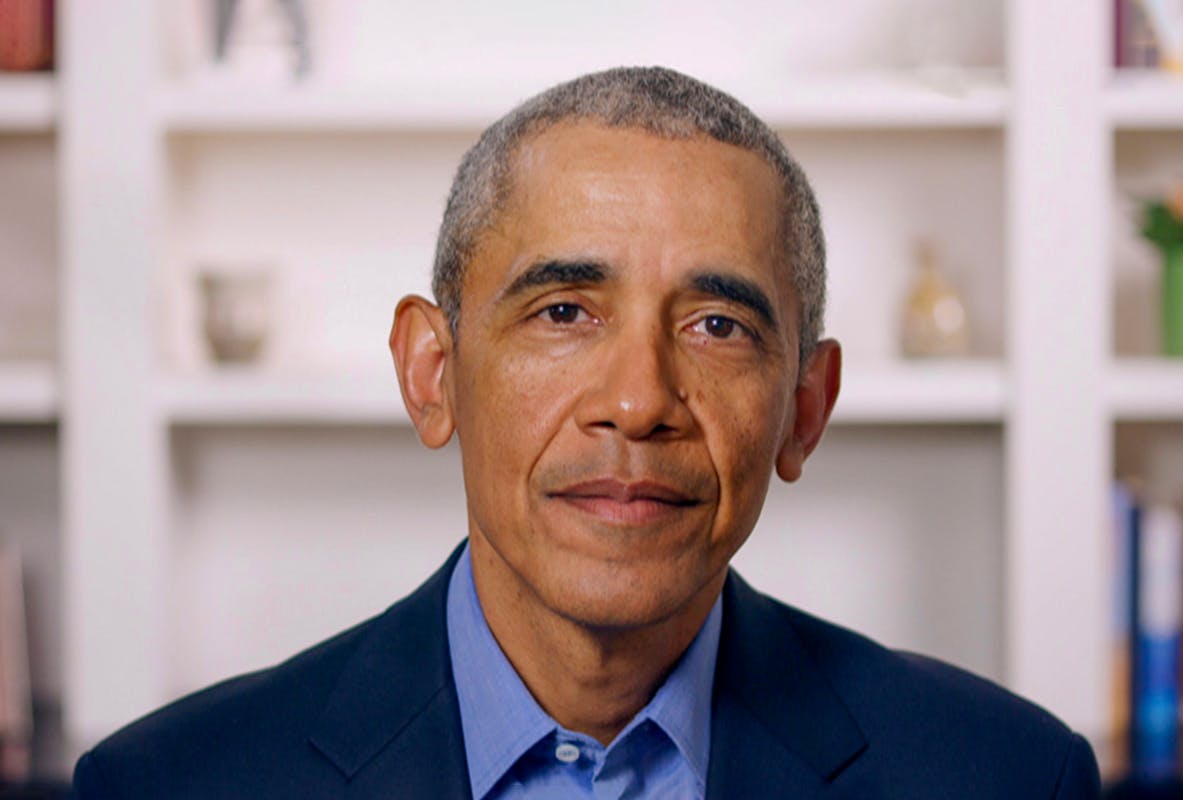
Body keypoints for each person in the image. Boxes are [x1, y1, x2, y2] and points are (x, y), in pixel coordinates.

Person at [72, 66, 1100, 799]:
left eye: (717, 325)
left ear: (804, 407)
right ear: (433, 374)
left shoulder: (1004, 774)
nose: (639, 399)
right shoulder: (170, 781)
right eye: (564, 310)